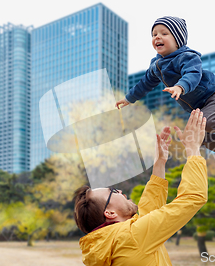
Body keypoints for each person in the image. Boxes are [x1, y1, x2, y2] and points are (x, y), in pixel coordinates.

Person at [115, 16, 215, 177]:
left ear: (178, 40)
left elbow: (192, 74)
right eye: (154, 34)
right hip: (200, 107)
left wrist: (180, 86)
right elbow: (145, 83)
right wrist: (129, 98)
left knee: (208, 123)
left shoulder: (187, 57)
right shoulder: (155, 66)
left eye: (164, 33)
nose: (157, 37)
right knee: (194, 135)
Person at [74, 109, 208, 266]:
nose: (120, 191)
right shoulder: (132, 236)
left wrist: (159, 163)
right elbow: (193, 197)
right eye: (113, 192)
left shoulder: (109, 244)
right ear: (110, 213)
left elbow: (147, 215)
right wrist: (193, 149)